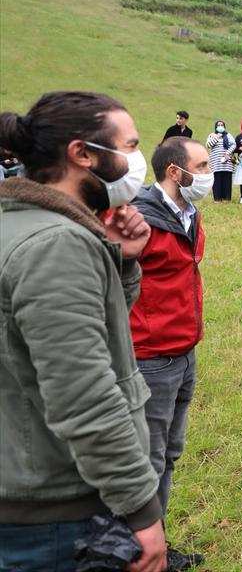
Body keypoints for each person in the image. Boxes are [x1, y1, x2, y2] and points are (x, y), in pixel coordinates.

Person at [0, 91, 167, 572]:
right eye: (129, 146)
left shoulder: (24, 227)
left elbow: (80, 331)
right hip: (53, 516)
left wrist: (124, 262)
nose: (136, 161)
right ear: (83, 155)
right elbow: (83, 393)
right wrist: (140, 507)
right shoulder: (55, 245)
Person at [130, 137, 211, 570]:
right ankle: (139, 552)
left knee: (168, 454)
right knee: (147, 459)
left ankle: (153, 542)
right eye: (201, 165)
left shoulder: (189, 212)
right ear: (175, 172)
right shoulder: (138, 219)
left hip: (183, 351)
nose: (209, 172)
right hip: (151, 357)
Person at [205, 120, 235, 203]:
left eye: (222, 125)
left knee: (227, 180)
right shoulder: (212, 135)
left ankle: (226, 198)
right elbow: (208, 145)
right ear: (216, 127)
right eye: (218, 125)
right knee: (217, 180)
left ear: (224, 127)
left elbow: (234, 145)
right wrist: (216, 137)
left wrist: (227, 153)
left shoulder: (228, 135)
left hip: (227, 162)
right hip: (216, 162)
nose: (220, 126)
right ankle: (217, 199)